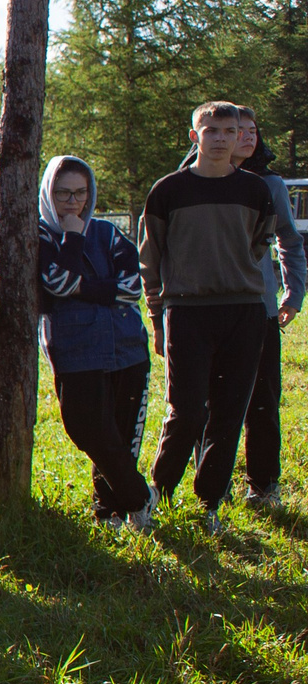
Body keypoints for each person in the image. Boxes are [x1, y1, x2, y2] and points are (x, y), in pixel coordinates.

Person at [142, 101, 287, 533]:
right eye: (212, 131)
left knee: (229, 414)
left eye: (229, 130)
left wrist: (231, 274)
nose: (222, 138)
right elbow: (151, 258)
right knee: (185, 411)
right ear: (195, 136)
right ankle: (157, 495)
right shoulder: (168, 190)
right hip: (186, 312)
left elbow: (260, 243)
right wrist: (156, 313)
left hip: (244, 313)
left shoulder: (254, 190)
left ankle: (208, 505)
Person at [38, 156, 153, 526]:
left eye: (80, 193)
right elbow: (55, 283)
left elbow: (133, 288)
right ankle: (140, 496)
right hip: (76, 349)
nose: (73, 202)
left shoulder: (109, 233)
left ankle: (111, 512)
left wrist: (81, 289)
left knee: (120, 435)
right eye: (63, 193)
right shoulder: (41, 235)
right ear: (48, 192)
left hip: (127, 346)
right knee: (86, 426)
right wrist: (72, 236)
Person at [233, 114, 304, 510]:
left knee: (262, 401)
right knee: (204, 404)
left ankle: (263, 487)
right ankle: (212, 487)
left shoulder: (270, 184)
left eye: (251, 130)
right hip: (205, 311)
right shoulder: (193, 181)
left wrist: (294, 295)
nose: (244, 137)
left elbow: (290, 242)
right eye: (233, 129)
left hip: (260, 311)